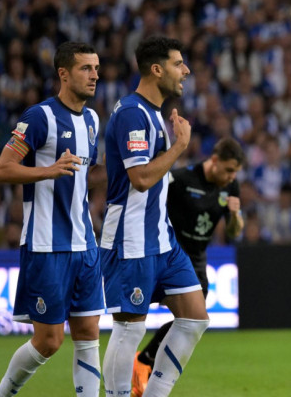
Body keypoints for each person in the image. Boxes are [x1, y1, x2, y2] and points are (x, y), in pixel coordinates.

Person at [0, 42, 105, 397]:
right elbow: (2, 169)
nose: (95, 75)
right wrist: (48, 170)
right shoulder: (40, 117)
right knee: (49, 341)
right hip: (46, 244)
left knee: (88, 334)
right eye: (86, 68)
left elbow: (86, 174)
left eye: (96, 68)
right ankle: (2, 395)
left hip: (86, 245)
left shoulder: (93, 119)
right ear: (63, 74)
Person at [99, 36, 209, 397]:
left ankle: (155, 393)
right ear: (157, 69)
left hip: (161, 239)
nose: (186, 71)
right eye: (179, 64)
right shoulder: (132, 112)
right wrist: (179, 146)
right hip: (132, 239)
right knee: (129, 329)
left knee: (194, 317)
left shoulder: (153, 114)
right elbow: (141, 178)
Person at [130, 136, 245, 395]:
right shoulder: (181, 179)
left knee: (193, 318)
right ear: (213, 160)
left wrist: (236, 215)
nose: (231, 176)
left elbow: (235, 232)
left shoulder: (231, 187)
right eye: (228, 170)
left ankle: (144, 361)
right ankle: (140, 363)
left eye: (235, 172)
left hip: (198, 257)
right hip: (170, 254)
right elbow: (149, 200)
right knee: (154, 313)